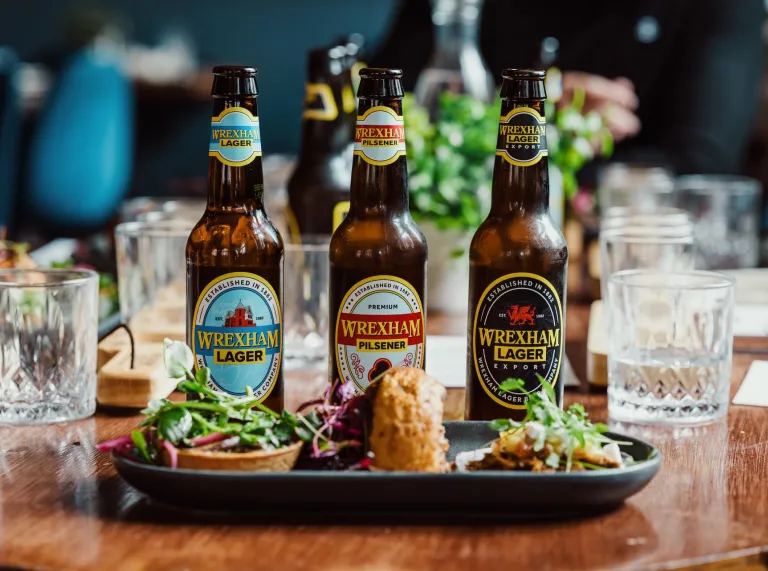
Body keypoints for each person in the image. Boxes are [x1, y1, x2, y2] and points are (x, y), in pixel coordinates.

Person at [370, 0, 765, 175]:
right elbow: (372, 114)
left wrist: (566, 146)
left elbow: (705, 165)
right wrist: (534, 122)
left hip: (643, 268)